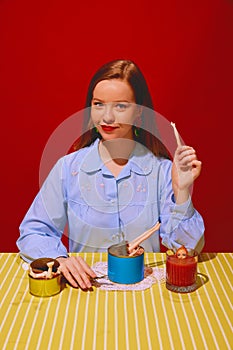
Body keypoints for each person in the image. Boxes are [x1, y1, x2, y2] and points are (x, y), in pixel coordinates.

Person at [17, 59, 205, 290]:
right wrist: (60, 259)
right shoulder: (68, 168)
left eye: (120, 106)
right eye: (98, 104)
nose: (107, 117)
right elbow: (33, 232)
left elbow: (185, 250)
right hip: (86, 292)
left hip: (145, 296)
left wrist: (182, 191)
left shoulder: (162, 170)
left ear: (139, 112)